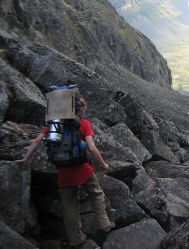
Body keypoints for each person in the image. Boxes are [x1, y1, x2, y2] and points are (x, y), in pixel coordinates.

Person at [16, 97, 115, 248]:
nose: (84, 111)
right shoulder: (83, 124)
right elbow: (91, 148)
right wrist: (103, 164)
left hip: (63, 172)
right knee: (96, 194)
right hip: (83, 170)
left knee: (70, 205)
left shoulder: (54, 126)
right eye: (83, 109)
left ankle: (76, 238)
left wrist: (25, 159)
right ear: (79, 109)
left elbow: (36, 141)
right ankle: (105, 224)